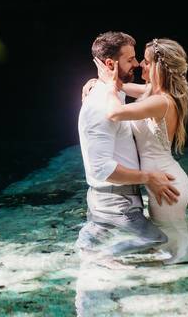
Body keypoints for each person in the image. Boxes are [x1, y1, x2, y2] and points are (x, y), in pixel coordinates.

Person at [94, 38, 188, 264]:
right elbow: (120, 87)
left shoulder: (161, 101)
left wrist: (109, 85)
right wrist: (95, 81)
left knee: (171, 240)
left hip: (165, 181)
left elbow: (114, 113)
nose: (141, 65)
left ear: (158, 68)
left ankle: (186, 256)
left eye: (146, 61)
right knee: (167, 235)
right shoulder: (152, 92)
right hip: (162, 177)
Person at [76, 31, 178, 260]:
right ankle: (100, 258)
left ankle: (89, 255)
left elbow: (157, 94)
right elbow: (101, 169)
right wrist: (149, 177)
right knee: (154, 240)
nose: (137, 64)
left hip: (117, 197)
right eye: (130, 59)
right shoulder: (102, 104)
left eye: (137, 58)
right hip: (114, 199)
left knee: (94, 236)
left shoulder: (114, 93)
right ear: (110, 64)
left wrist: (106, 83)